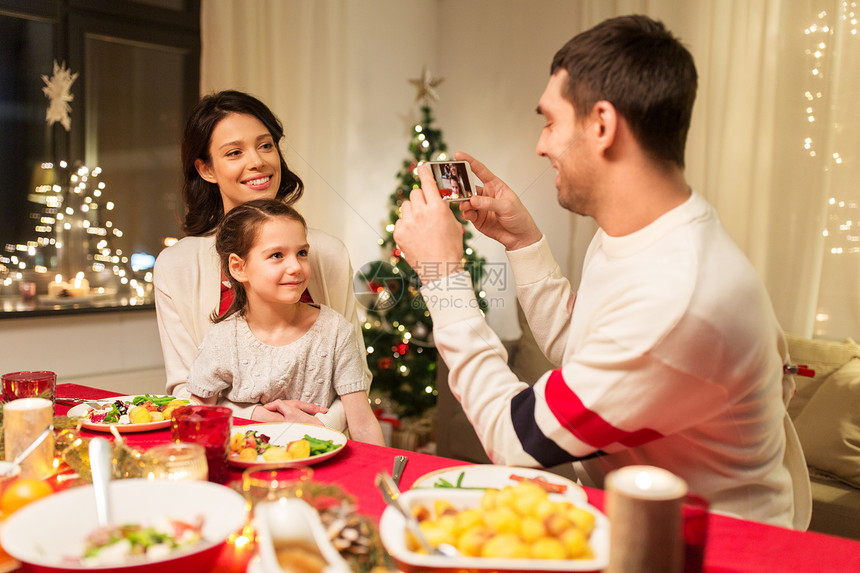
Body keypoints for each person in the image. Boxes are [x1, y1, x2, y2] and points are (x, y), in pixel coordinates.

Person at [393, 15, 811, 528]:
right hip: (633, 520)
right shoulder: (639, 231)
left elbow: (516, 439)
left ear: (603, 125)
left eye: (549, 121)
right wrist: (523, 243)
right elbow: (591, 356)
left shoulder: (679, 294)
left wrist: (443, 277)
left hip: (711, 545)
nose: (540, 146)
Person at [154, 90, 371, 428]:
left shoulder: (327, 253)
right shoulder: (175, 267)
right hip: (232, 443)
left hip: (325, 446)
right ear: (206, 169)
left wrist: (319, 428)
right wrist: (257, 417)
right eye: (235, 152)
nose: (257, 161)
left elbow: (356, 375)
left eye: (266, 145)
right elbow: (185, 391)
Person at [186, 200, 384, 445]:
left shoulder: (336, 331)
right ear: (238, 268)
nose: (295, 267)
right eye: (277, 255)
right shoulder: (222, 339)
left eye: (301, 253)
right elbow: (197, 417)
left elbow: (363, 424)